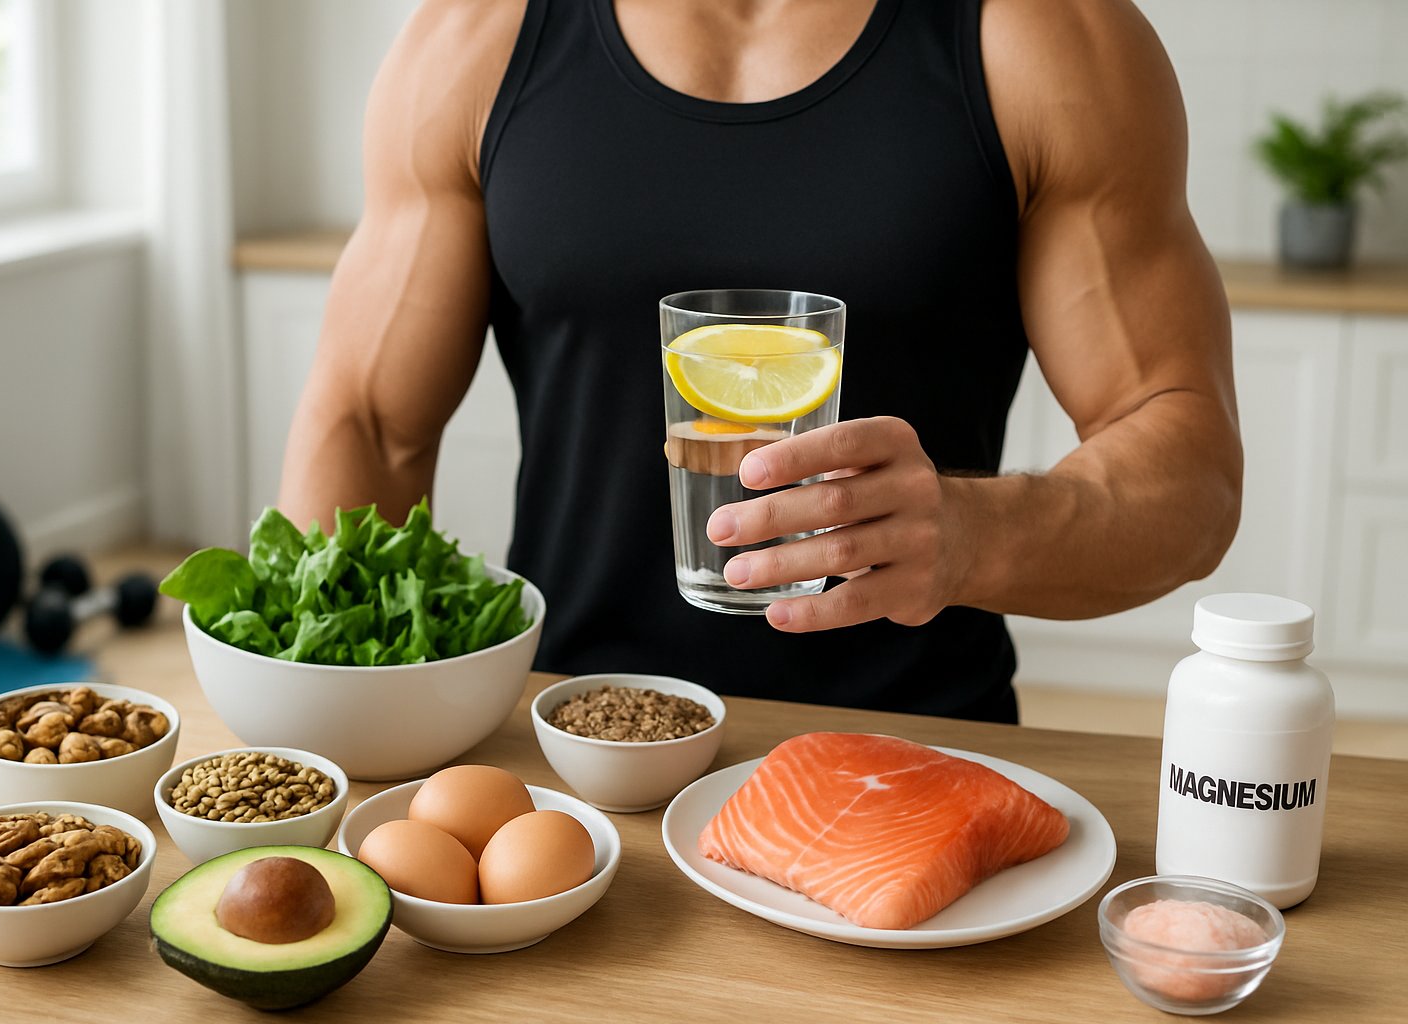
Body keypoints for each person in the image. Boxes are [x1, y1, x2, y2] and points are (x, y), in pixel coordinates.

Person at [277, 0, 1242, 723]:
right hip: (575, 744)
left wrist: (971, 534)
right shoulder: (476, 40)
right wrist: (349, 721)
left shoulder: (1047, 35)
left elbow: (1188, 467)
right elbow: (367, 423)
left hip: (911, 746)